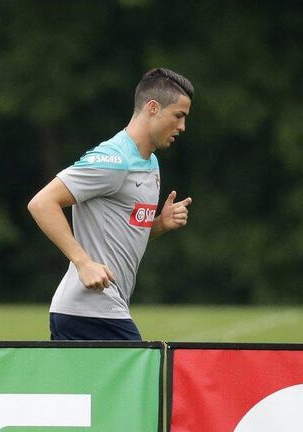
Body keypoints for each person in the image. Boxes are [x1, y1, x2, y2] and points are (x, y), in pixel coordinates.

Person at [28, 68, 194, 341]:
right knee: (144, 378)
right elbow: (42, 203)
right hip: (88, 312)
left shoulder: (150, 163)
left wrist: (160, 224)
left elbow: (119, 235)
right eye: (179, 116)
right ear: (153, 107)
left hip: (101, 310)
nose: (182, 127)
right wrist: (83, 262)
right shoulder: (113, 160)